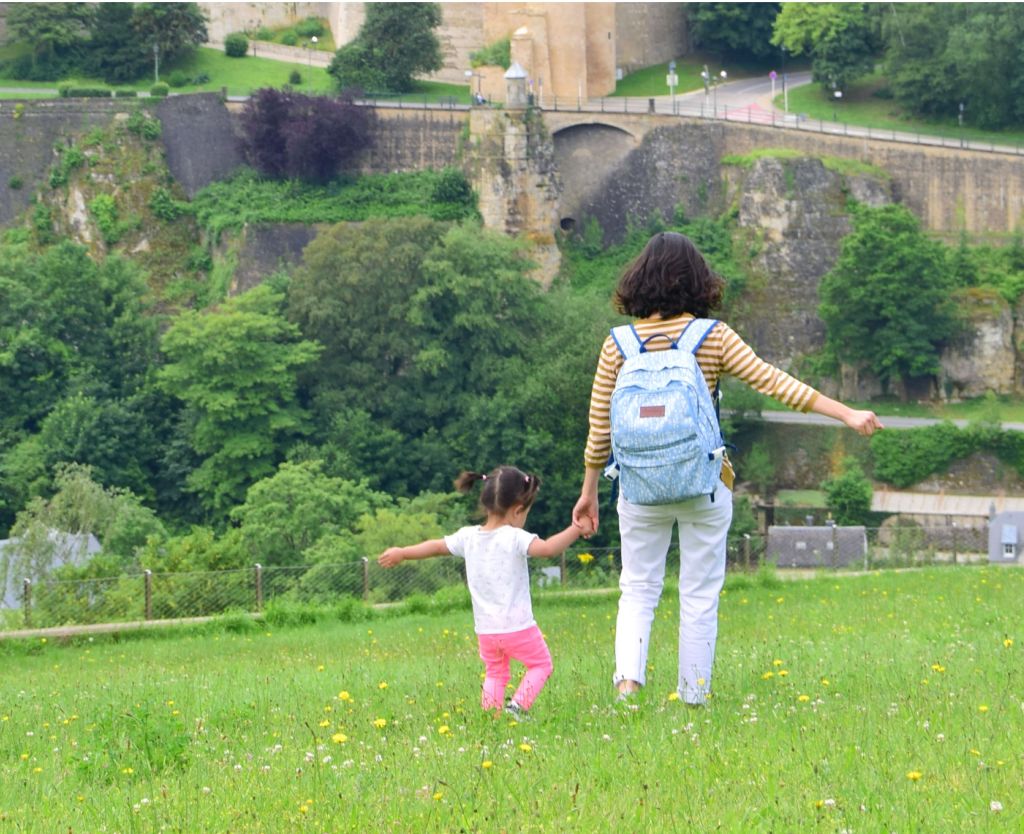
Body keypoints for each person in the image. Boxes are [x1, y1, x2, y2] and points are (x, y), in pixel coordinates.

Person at [572, 231, 883, 706]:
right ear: (698, 281)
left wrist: (589, 491)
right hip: (704, 485)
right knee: (698, 593)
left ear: (638, 280)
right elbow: (775, 383)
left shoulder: (617, 346)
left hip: (637, 488)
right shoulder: (711, 337)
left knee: (637, 588)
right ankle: (693, 696)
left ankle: (628, 688)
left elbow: (599, 430)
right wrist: (846, 413)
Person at [379, 465, 591, 716]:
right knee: (541, 665)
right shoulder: (514, 537)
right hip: (518, 626)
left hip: (486, 630)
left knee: (496, 673)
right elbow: (547, 549)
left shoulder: (468, 537)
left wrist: (403, 553)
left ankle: (491, 717)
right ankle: (517, 707)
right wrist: (577, 528)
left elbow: (436, 547)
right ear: (516, 510)